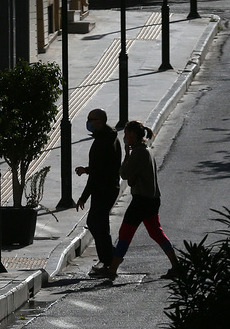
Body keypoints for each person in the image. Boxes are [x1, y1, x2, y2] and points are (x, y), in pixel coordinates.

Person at [94, 120, 179, 281]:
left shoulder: (139, 153)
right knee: (157, 233)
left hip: (141, 201)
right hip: (152, 199)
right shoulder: (146, 150)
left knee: (125, 234)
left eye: (126, 134)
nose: (125, 137)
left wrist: (126, 155)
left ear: (133, 134)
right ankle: (176, 265)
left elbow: (124, 173)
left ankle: (112, 270)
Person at [75, 109, 122, 275]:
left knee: (97, 224)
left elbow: (97, 173)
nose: (88, 122)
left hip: (104, 189)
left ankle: (109, 259)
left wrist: (83, 197)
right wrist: (87, 170)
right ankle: (110, 257)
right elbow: (100, 167)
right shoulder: (108, 137)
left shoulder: (104, 141)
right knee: (99, 224)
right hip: (107, 187)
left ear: (99, 122)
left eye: (91, 119)